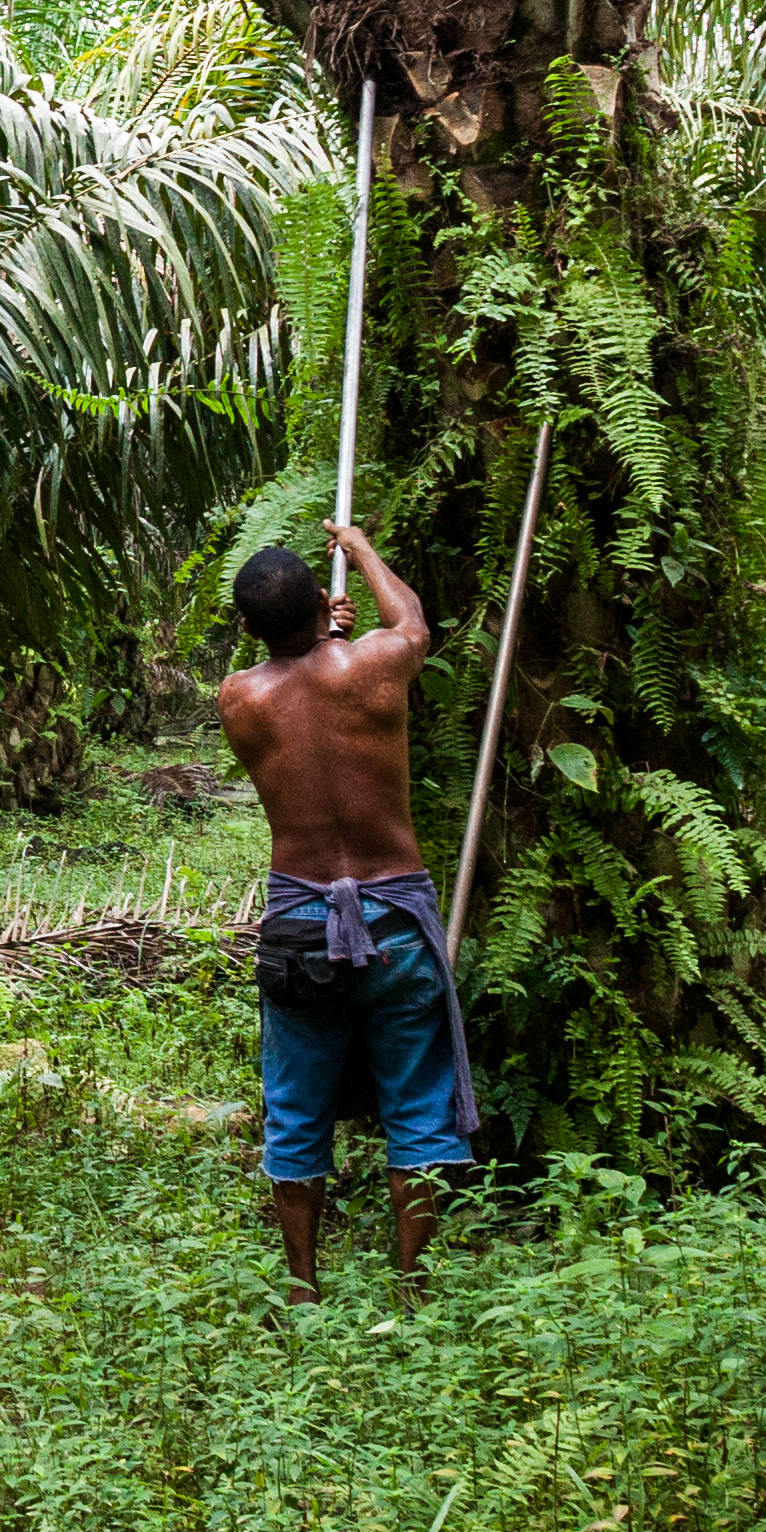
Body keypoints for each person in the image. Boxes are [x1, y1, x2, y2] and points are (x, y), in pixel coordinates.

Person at [213, 518, 478, 1294]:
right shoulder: (375, 668)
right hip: (394, 916)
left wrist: (312, 638)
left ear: (246, 627)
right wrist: (358, 549)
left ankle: (301, 1284)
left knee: (295, 1111)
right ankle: (412, 1282)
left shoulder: (237, 698)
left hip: (298, 926)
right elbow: (413, 623)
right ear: (320, 609)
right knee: (417, 1105)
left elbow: (284, 674)